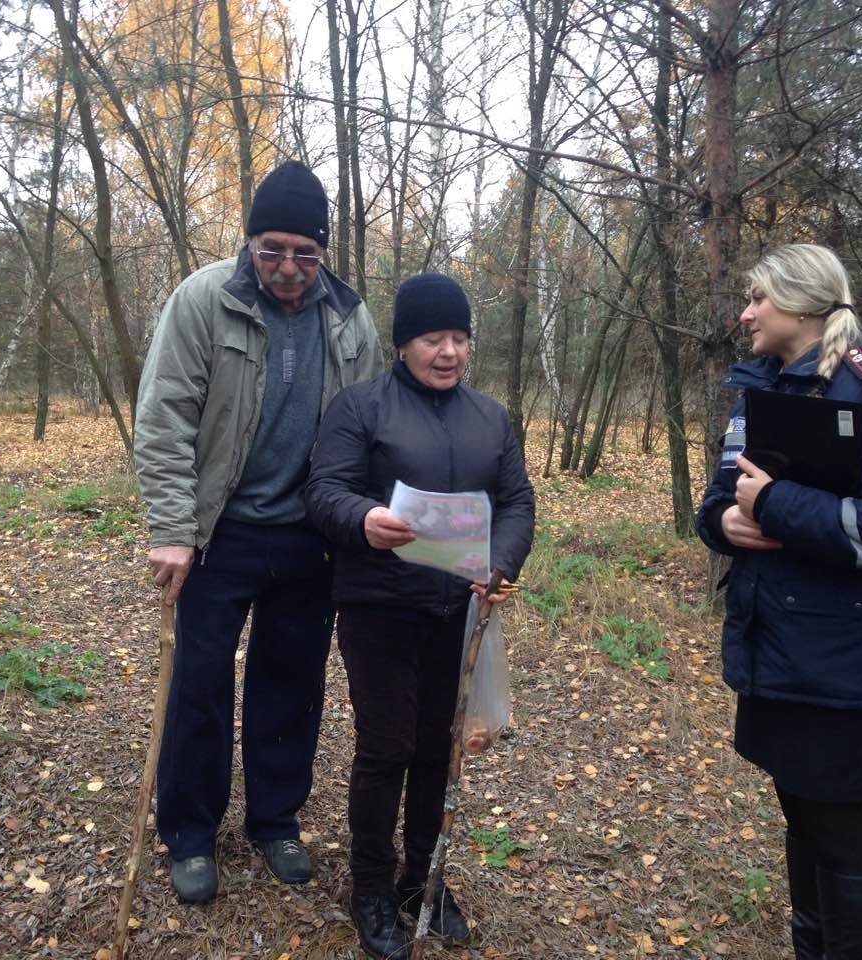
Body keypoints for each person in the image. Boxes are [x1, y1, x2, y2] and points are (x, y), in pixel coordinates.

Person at [133, 160, 383, 903]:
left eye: (305, 253)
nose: (287, 267)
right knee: (200, 686)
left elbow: (370, 428)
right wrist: (174, 528)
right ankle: (188, 832)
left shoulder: (349, 316)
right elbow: (165, 417)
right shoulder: (205, 299)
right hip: (219, 535)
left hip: (310, 538)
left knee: (292, 685)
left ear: (323, 251)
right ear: (250, 242)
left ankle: (274, 821)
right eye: (272, 248)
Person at [695, 244, 862, 960]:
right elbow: (719, 503)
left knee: (836, 831)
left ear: (803, 306)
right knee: (800, 814)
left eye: (757, 300)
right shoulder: (760, 395)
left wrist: (773, 503)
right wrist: (728, 524)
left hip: (844, 666)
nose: (745, 314)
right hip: (777, 648)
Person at [305, 273, 535, 960]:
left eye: (460, 338)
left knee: (440, 747)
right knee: (388, 747)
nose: (449, 352)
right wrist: (363, 519)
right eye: (433, 338)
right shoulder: (360, 407)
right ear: (404, 342)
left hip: (457, 611)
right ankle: (372, 887)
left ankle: (422, 881)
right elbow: (325, 490)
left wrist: (500, 566)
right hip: (380, 605)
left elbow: (518, 502)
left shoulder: (490, 417)